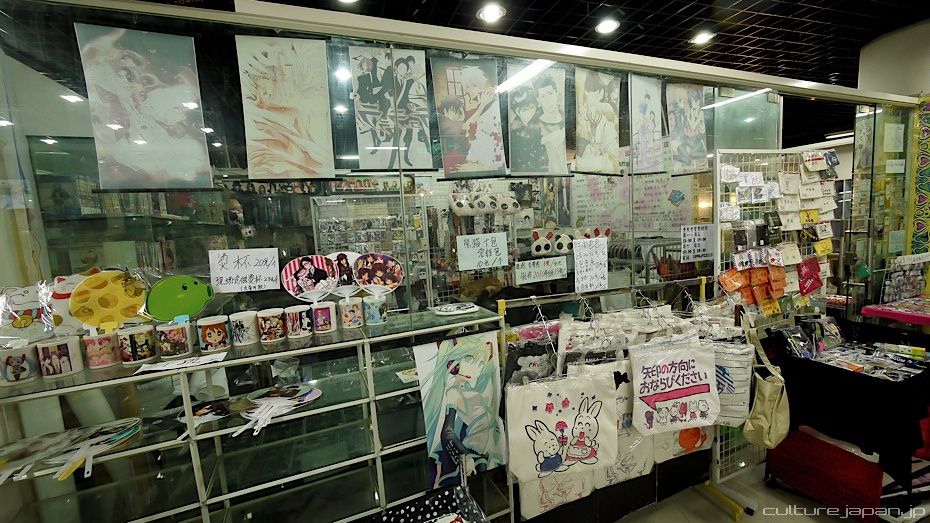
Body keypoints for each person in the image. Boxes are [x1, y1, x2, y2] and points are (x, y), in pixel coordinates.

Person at [421, 337, 505, 488]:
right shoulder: (454, 393)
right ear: (455, 362)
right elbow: (447, 432)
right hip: (475, 450)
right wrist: (464, 455)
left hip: (492, 448)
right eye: (469, 360)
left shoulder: (475, 387)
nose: (475, 369)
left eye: (480, 364)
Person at [535, 75, 566, 174]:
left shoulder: (566, 119)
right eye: (543, 96)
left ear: (556, 94)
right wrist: (550, 137)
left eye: (550, 93)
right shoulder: (535, 124)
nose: (548, 100)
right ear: (538, 100)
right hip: (549, 172)